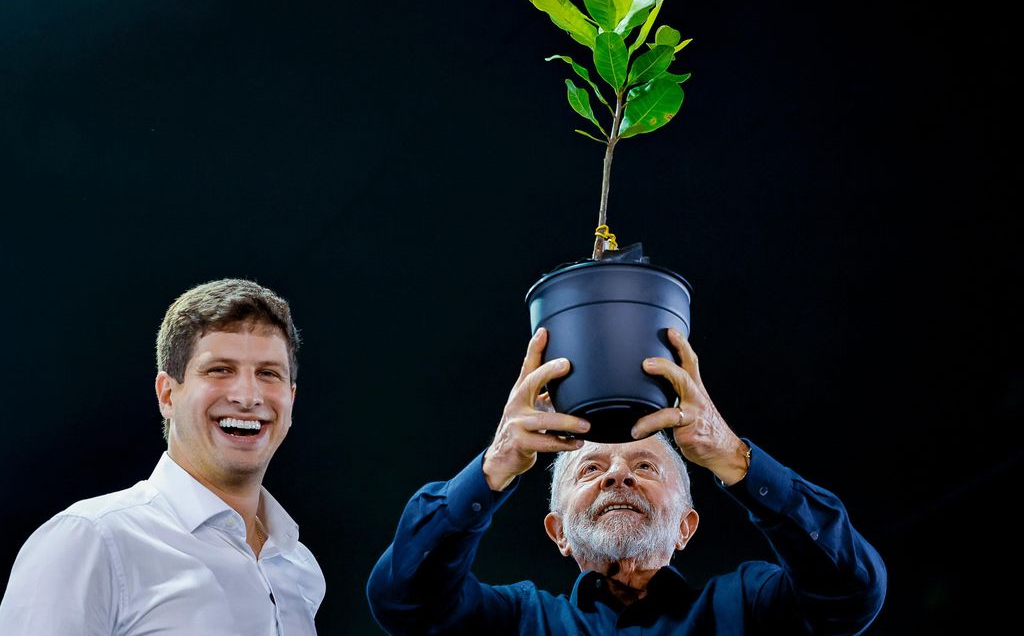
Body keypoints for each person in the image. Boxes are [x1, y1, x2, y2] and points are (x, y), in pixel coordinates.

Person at [367, 327, 886, 634]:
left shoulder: (747, 610)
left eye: (645, 466)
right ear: (559, 534)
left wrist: (734, 457)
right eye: (590, 469)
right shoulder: (518, 622)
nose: (618, 474)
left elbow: (851, 591)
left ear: (686, 527)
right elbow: (403, 600)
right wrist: (494, 467)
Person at [0, 278, 325, 634]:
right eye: (220, 370)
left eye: (267, 373)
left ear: (291, 399)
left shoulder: (298, 567)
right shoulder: (91, 540)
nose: (248, 396)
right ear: (167, 394)